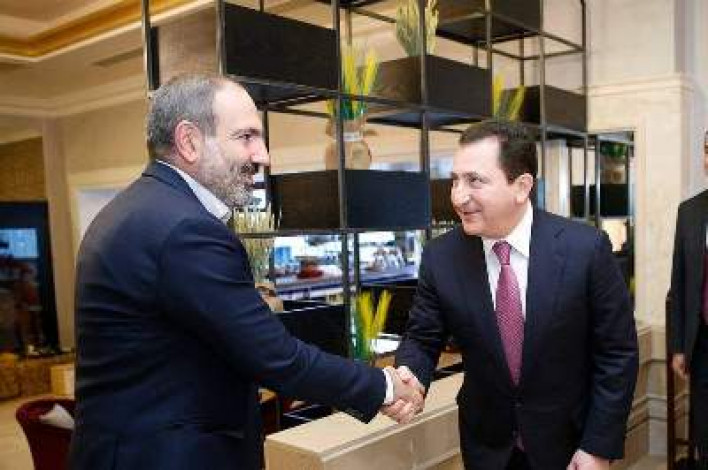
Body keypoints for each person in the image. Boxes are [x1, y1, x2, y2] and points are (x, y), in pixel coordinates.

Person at [69, 74, 423, 470]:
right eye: (246, 137)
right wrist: (384, 386)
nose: (263, 155)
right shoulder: (186, 229)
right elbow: (275, 357)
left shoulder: (135, 209)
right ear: (189, 141)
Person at [388, 120, 639, 470]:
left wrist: (598, 447)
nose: (458, 196)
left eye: (475, 180)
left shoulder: (586, 249)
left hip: (571, 447)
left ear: (521, 187)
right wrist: (410, 375)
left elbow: (617, 354)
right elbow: (422, 336)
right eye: (455, 180)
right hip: (488, 449)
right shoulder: (440, 257)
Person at [670, 132, 708, 468]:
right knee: (704, 429)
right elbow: (679, 284)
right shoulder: (689, 211)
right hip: (702, 342)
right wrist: (678, 347)